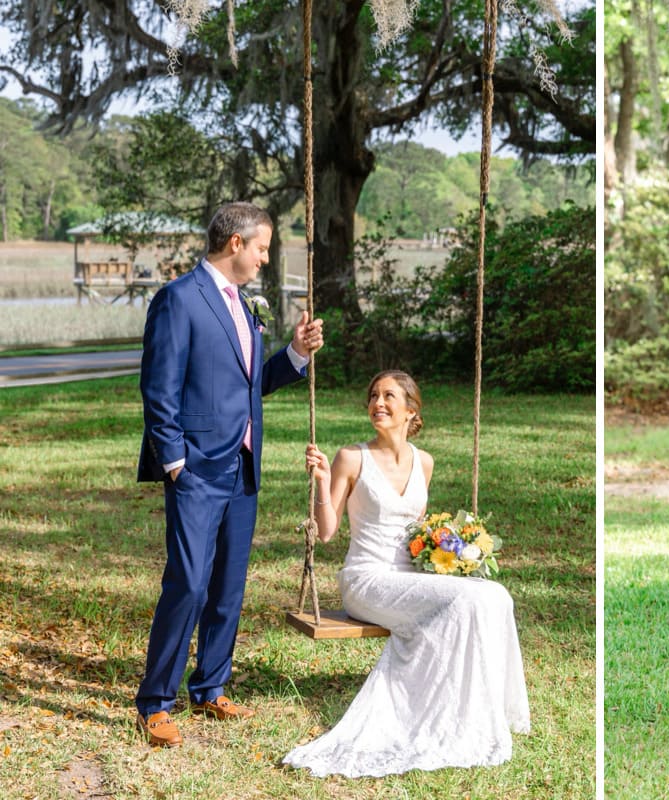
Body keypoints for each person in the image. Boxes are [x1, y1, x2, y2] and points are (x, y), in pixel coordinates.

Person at [135, 201, 325, 747]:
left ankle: (211, 685)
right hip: (194, 468)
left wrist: (295, 353)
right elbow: (159, 387)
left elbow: (249, 384)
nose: (267, 258)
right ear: (236, 244)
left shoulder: (245, 305)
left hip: (242, 466)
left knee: (227, 586)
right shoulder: (178, 299)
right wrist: (174, 461)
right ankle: (155, 701)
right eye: (263, 247)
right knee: (189, 581)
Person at [282, 371, 530, 778]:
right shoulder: (351, 457)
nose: (378, 403)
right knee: (465, 600)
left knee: (494, 594)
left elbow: (416, 533)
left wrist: (447, 553)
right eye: (374, 396)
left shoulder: (424, 462)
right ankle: (425, 710)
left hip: (408, 577)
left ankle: (472, 706)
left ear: (410, 411)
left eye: (389, 396)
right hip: (366, 579)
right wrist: (324, 482)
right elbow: (326, 532)